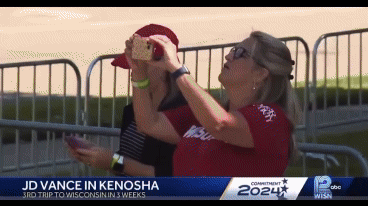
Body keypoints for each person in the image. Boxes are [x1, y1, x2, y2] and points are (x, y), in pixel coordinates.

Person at [127, 30, 303, 177]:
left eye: (240, 53)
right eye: (233, 49)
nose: (228, 56)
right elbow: (148, 123)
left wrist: (177, 69)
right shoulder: (209, 113)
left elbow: (220, 125)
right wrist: (139, 72)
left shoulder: (271, 117)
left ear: (261, 74)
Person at [66, 24, 186, 176]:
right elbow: (125, 163)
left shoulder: (182, 115)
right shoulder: (132, 110)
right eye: (132, 65)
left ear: (163, 65)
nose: (134, 71)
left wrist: (112, 161)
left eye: (141, 65)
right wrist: (97, 155)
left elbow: (168, 175)